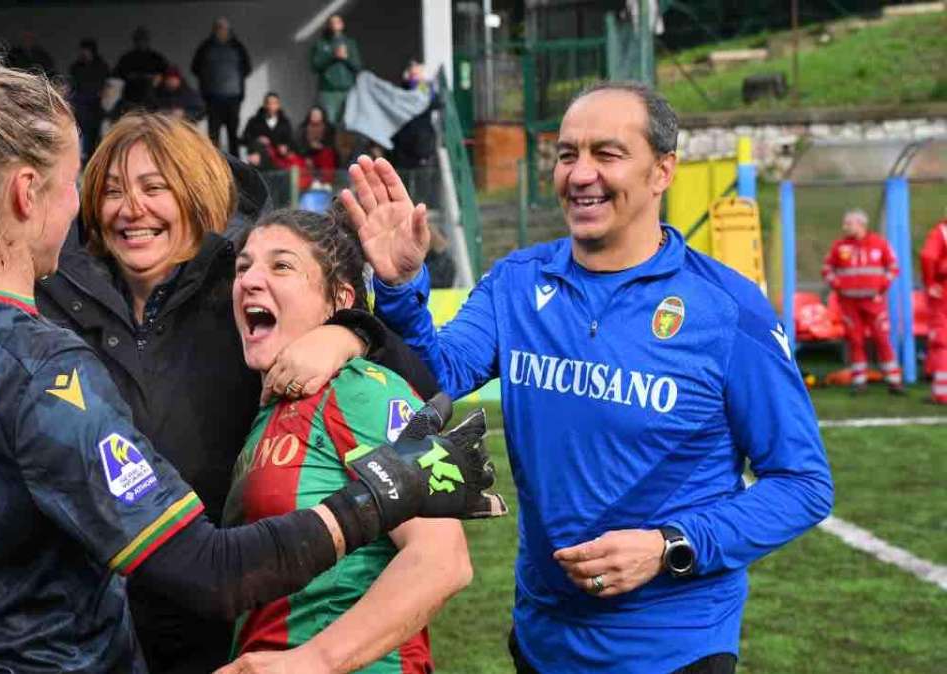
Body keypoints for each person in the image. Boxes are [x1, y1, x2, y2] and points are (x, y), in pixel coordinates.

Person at [0, 36, 501, 673]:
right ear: (27, 193)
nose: (95, 206)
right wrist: (384, 493)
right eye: (84, 183)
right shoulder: (47, 364)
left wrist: (354, 328)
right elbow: (213, 571)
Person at [345, 81, 834, 673]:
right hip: (543, 639)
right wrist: (398, 288)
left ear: (662, 171)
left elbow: (803, 484)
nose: (580, 174)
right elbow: (436, 375)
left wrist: (669, 547)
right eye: (567, 154)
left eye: (608, 154)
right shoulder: (517, 283)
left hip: (674, 648)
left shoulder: (727, 313)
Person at [216, 208, 482, 674]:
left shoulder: (359, 387)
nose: (251, 280)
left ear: (338, 300)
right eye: (244, 267)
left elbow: (442, 558)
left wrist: (312, 660)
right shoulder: (269, 409)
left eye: (281, 266)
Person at [821, 209, 904, 394]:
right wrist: (838, 285)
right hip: (849, 302)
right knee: (855, 340)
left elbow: (893, 267)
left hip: (873, 301)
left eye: (848, 223)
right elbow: (827, 269)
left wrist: (882, 286)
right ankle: (859, 381)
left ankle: (894, 380)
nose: (845, 227)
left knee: (882, 338)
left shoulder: (879, 244)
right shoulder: (839, 246)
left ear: (860, 224)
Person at [191, 17, 251, 156]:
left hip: (233, 98)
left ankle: (236, 169)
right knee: (213, 135)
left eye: (224, 29)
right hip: (213, 98)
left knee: (233, 135)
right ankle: (215, 167)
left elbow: (247, 68)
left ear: (229, 31)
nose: (222, 31)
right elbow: (195, 68)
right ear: (214, 30)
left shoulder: (237, 47)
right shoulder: (206, 47)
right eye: (219, 28)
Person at [310, 14, 361, 125]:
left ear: (342, 25)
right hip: (328, 91)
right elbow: (315, 67)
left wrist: (346, 58)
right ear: (328, 26)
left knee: (349, 123)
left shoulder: (350, 43)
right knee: (330, 123)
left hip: (347, 89)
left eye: (337, 22)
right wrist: (332, 57)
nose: (334, 25)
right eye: (331, 22)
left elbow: (358, 66)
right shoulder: (321, 44)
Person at [920, 215, 947, 405]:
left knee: (942, 341)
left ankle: (941, 392)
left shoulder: (942, 232)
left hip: (943, 290)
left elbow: (928, 256)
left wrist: (930, 283)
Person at [69, 38, 110, 160]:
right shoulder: (76, 67)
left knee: (95, 135)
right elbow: (73, 85)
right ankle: (84, 158)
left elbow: (106, 85)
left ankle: (93, 159)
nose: (83, 53)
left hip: (97, 106)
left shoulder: (101, 66)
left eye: (85, 50)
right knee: (82, 135)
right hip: (81, 105)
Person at [115, 27, 169, 109]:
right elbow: (119, 74)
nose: (141, 42)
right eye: (139, 40)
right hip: (131, 95)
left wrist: (155, 78)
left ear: (147, 41)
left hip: (152, 96)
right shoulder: (127, 58)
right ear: (135, 41)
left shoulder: (156, 58)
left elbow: (165, 73)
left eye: (144, 40)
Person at [297, 104, 338, 184]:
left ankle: (326, 182)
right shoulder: (302, 128)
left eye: (317, 115)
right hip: (307, 154)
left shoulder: (329, 128)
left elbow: (332, 144)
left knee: (327, 154)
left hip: (322, 154)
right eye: (313, 115)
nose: (315, 117)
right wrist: (307, 152)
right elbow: (298, 145)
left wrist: (320, 146)